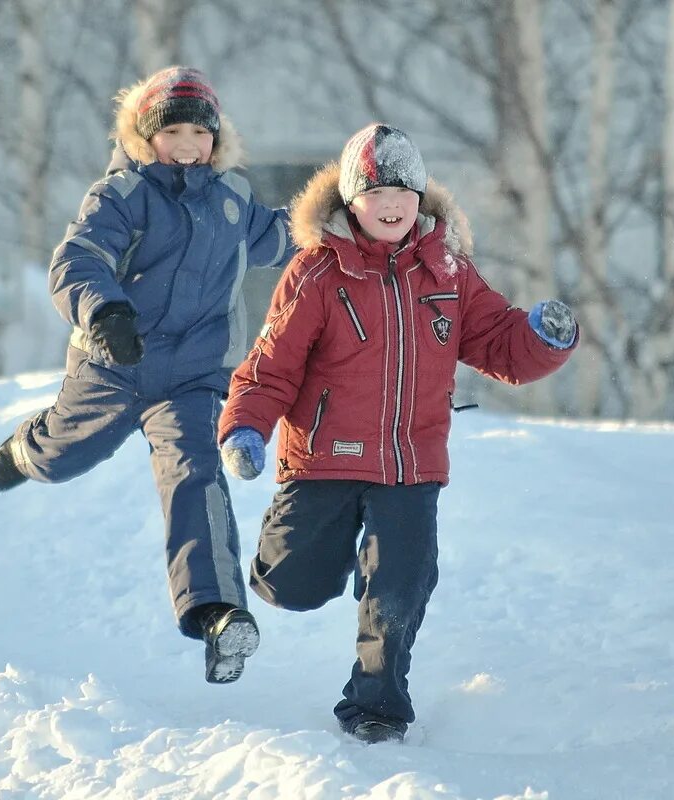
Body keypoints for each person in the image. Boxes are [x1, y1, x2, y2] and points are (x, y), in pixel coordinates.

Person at [217, 124, 578, 742]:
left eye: (403, 194)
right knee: (291, 584)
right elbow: (272, 365)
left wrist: (544, 339)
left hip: (411, 468)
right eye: (376, 194)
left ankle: (376, 707)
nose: (391, 206)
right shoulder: (317, 273)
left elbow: (498, 343)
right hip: (324, 459)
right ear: (352, 202)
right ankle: (318, 565)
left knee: (400, 589)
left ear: (421, 199)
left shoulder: (448, 272)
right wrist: (246, 427)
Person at [0, 66, 293, 684]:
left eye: (198, 132)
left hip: (196, 375)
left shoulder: (232, 199)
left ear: (216, 138)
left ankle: (217, 613)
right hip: (115, 363)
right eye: (171, 130)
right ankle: (28, 450)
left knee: (196, 475)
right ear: (146, 136)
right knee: (67, 454)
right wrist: (103, 310)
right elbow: (78, 257)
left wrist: (350, 209)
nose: (186, 143)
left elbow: (285, 236)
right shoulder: (122, 194)